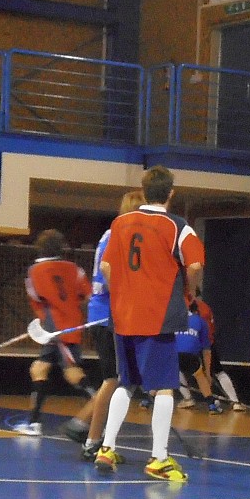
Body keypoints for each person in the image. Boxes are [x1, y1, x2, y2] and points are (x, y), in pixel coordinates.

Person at [93, 165, 204, 482]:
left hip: (123, 317)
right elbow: (195, 265)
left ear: (143, 192)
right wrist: (189, 291)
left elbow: (106, 266)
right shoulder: (179, 227)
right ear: (171, 193)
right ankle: (159, 459)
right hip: (157, 318)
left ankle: (106, 448)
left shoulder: (120, 224)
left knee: (125, 382)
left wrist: (123, 294)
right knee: (165, 388)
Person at [13, 229, 93, 438]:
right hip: (72, 325)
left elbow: (35, 298)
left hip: (54, 328)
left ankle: (99, 402)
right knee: (39, 368)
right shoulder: (75, 269)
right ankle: (34, 422)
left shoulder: (34, 271)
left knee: (72, 373)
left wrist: (44, 319)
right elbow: (87, 295)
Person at [81, 190, 143, 461]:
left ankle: (98, 439)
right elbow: (109, 274)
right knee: (113, 379)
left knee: (120, 379)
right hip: (109, 315)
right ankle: (93, 441)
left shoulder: (112, 233)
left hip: (107, 313)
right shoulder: (121, 235)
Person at [183, 293, 244, 411]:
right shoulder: (205, 307)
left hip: (194, 344)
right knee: (217, 372)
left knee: (178, 370)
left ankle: (188, 398)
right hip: (208, 343)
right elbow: (211, 327)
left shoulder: (183, 305)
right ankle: (235, 401)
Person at [175, 298, 222, 414]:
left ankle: (148, 399)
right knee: (199, 375)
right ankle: (211, 404)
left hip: (174, 353)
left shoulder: (174, 319)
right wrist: (208, 375)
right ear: (196, 311)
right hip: (190, 355)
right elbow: (206, 351)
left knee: (167, 375)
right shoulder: (201, 321)